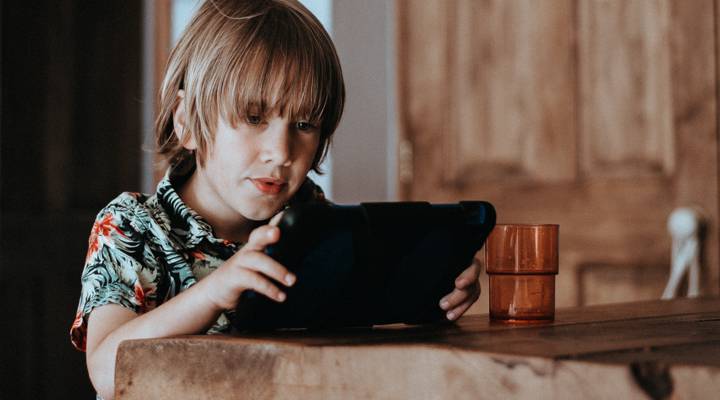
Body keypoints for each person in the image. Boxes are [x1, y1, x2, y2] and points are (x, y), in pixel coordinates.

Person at [70, 0, 481, 398]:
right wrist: (213, 293)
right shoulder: (132, 225)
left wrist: (430, 292)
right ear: (187, 122)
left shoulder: (312, 222)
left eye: (304, 124)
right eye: (254, 118)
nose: (281, 152)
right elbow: (107, 371)